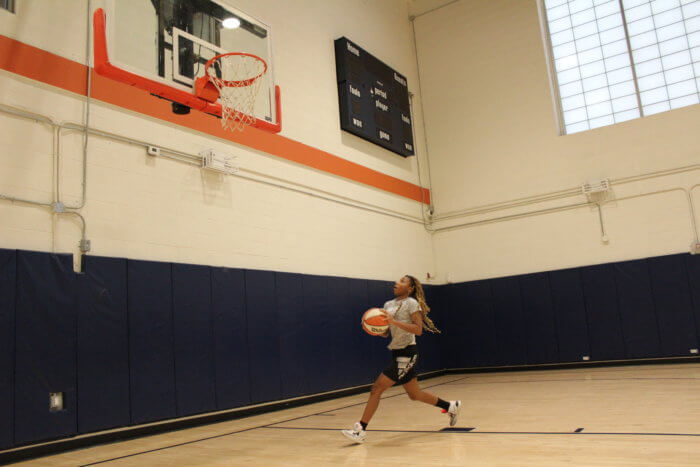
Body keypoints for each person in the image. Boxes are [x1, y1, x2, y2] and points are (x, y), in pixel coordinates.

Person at [341, 275, 461, 443]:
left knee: (376, 389)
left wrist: (394, 322)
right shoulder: (388, 305)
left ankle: (360, 430)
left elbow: (418, 330)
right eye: (398, 281)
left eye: (402, 281)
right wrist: (374, 328)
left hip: (407, 353)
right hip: (396, 352)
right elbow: (386, 332)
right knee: (415, 394)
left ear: (410, 288)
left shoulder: (412, 304)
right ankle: (450, 406)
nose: (397, 283)